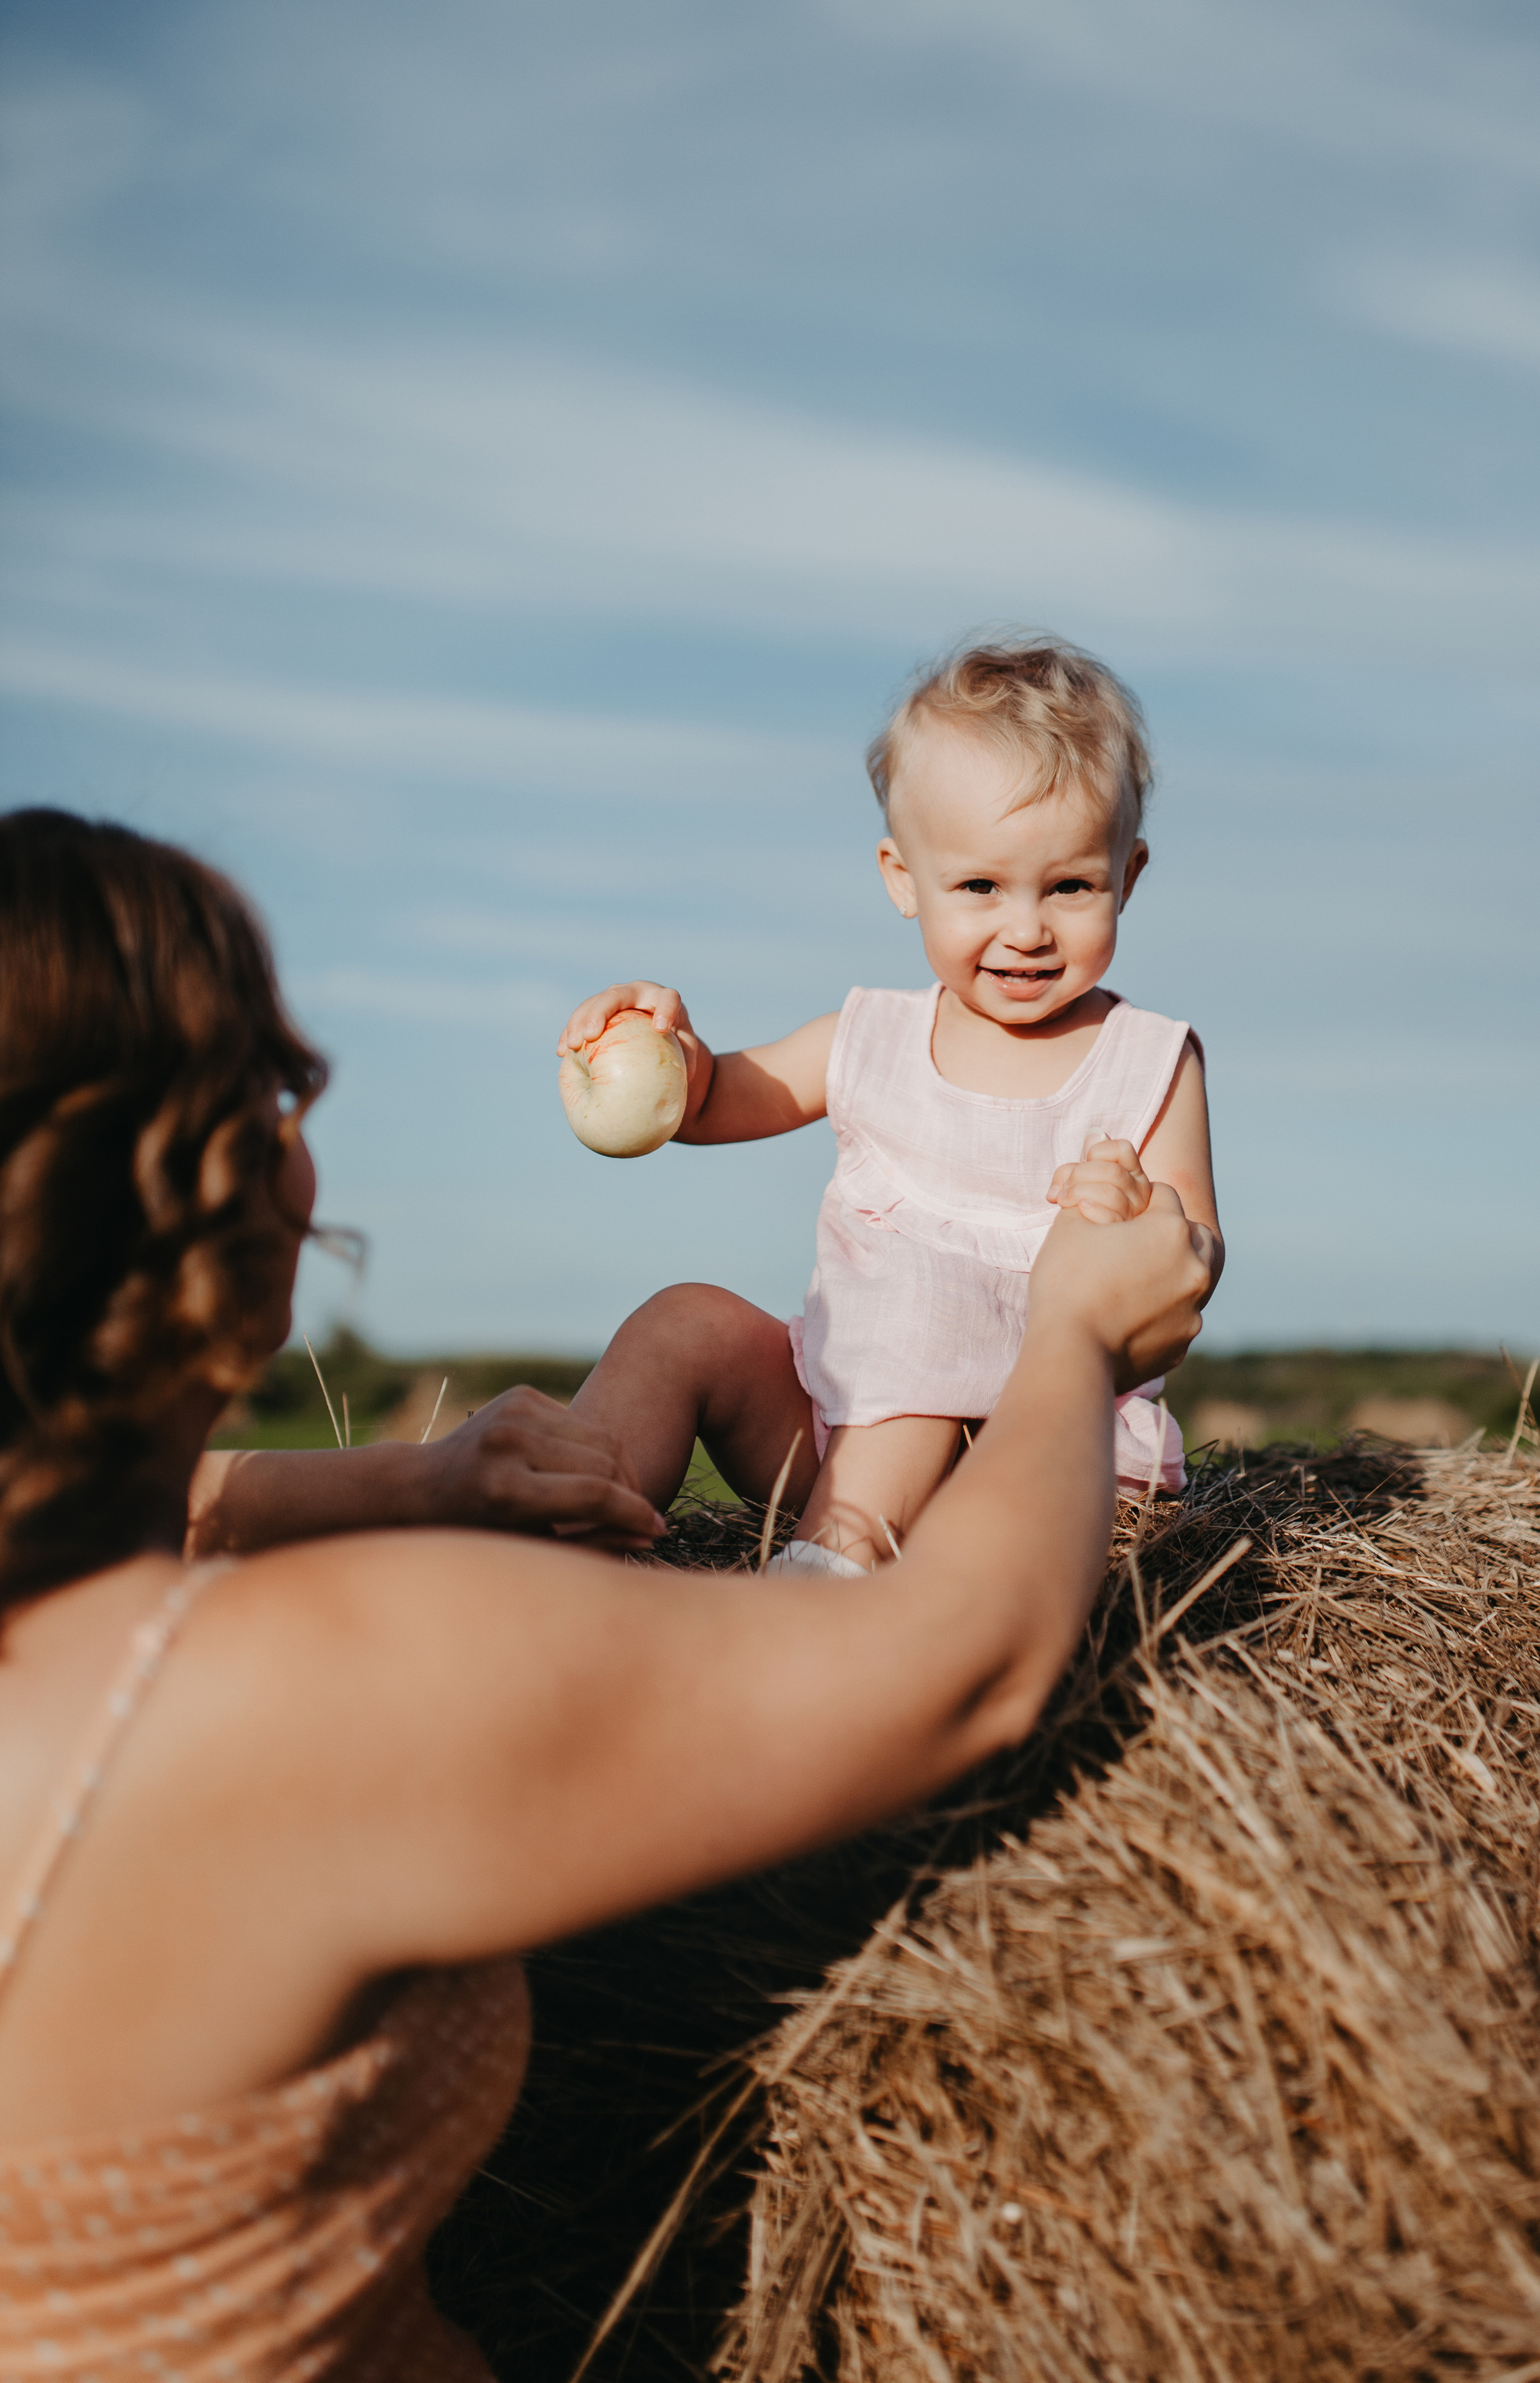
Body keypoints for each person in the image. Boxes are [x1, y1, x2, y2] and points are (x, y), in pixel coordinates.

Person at [0, 806, 1211, 2378]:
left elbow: (180, 1500)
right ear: (222, 1176)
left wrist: (402, 1482)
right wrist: (1071, 1339)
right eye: (285, 1085)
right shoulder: (294, 1682)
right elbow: (956, 1666)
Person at [559, 637, 1225, 1577]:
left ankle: (834, 1576)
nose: (1027, 929)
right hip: (842, 1420)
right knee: (684, 1322)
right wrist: (667, 1052)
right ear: (904, 880)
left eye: (1071, 887)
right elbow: (715, 1104)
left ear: (1130, 874)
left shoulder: (1147, 1061)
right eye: (981, 887)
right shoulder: (865, 1037)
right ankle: (558, 1521)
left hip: (1025, 1453)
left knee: (929, 1298)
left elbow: (1191, 1258)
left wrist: (1139, 1218)